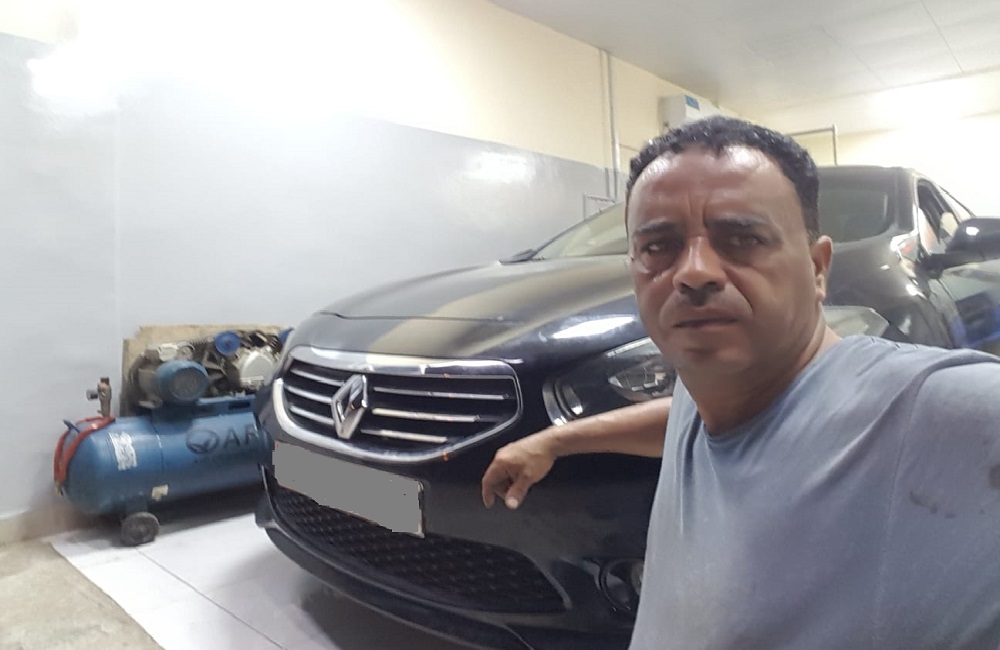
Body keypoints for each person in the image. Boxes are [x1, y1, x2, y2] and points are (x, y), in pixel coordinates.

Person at [481, 115, 1000, 649]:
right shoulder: (713, 392)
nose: (693, 271)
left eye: (743, 239)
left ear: (818, 269)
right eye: (658, 246)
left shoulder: (929, 410)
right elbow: (684, 419)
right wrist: (556, 441)